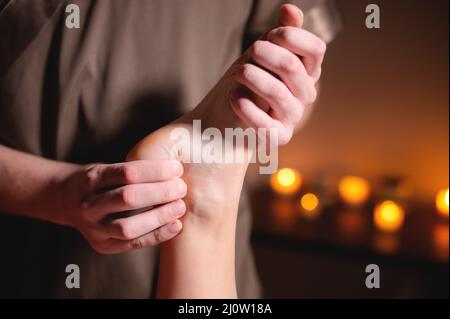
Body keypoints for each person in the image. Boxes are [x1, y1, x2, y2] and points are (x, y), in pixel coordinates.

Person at [0, 0, 340, 298]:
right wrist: (59, 193)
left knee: (204, 207)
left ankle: (206, 183)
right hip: (37, 263)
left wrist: (283, 96)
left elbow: (298, 83)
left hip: (217, 258)